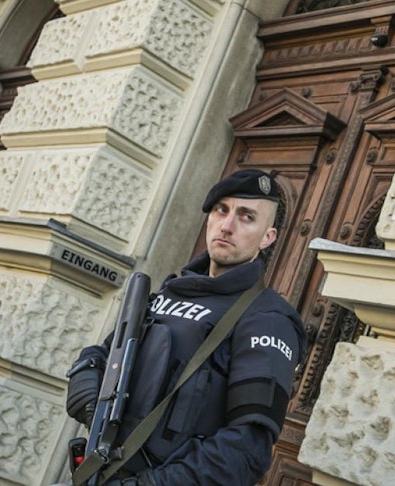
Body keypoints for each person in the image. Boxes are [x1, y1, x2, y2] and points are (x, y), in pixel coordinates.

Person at [66, 169, 306, 485]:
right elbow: (100, 356)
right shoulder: (171, 291)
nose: (227, 225)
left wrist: (150, 484)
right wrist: (89, 403)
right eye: (222, 210)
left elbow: (246, 450)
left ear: (267, 237)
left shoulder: (267, 318)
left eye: (246, 217)